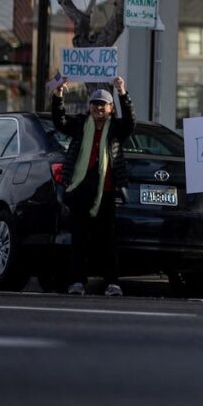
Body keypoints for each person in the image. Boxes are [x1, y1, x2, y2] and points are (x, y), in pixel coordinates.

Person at [51, 76, 135, 296]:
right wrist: (59, 95)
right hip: (80, 190)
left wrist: (122, 92)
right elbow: (60, 121)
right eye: (95, 104)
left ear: (110, 108)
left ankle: (112, 283)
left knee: (108, 240)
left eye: (103, 105)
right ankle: (77, 281)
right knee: (78, 239)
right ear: (89, 107)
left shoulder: (116, 128)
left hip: (106, 192)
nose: (98, 108)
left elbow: (130, 122)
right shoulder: (81, 125)